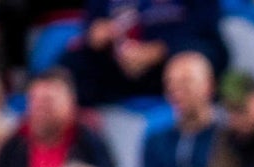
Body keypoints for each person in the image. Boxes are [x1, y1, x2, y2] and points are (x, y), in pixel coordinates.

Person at [60, 0, 227, 106]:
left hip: (169, 60)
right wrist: (96, 32)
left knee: (199, 56)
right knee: (68, 66)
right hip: (119, 67)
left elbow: (205, 23)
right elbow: (92, 22)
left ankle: (199, 125)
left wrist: (158, 50)